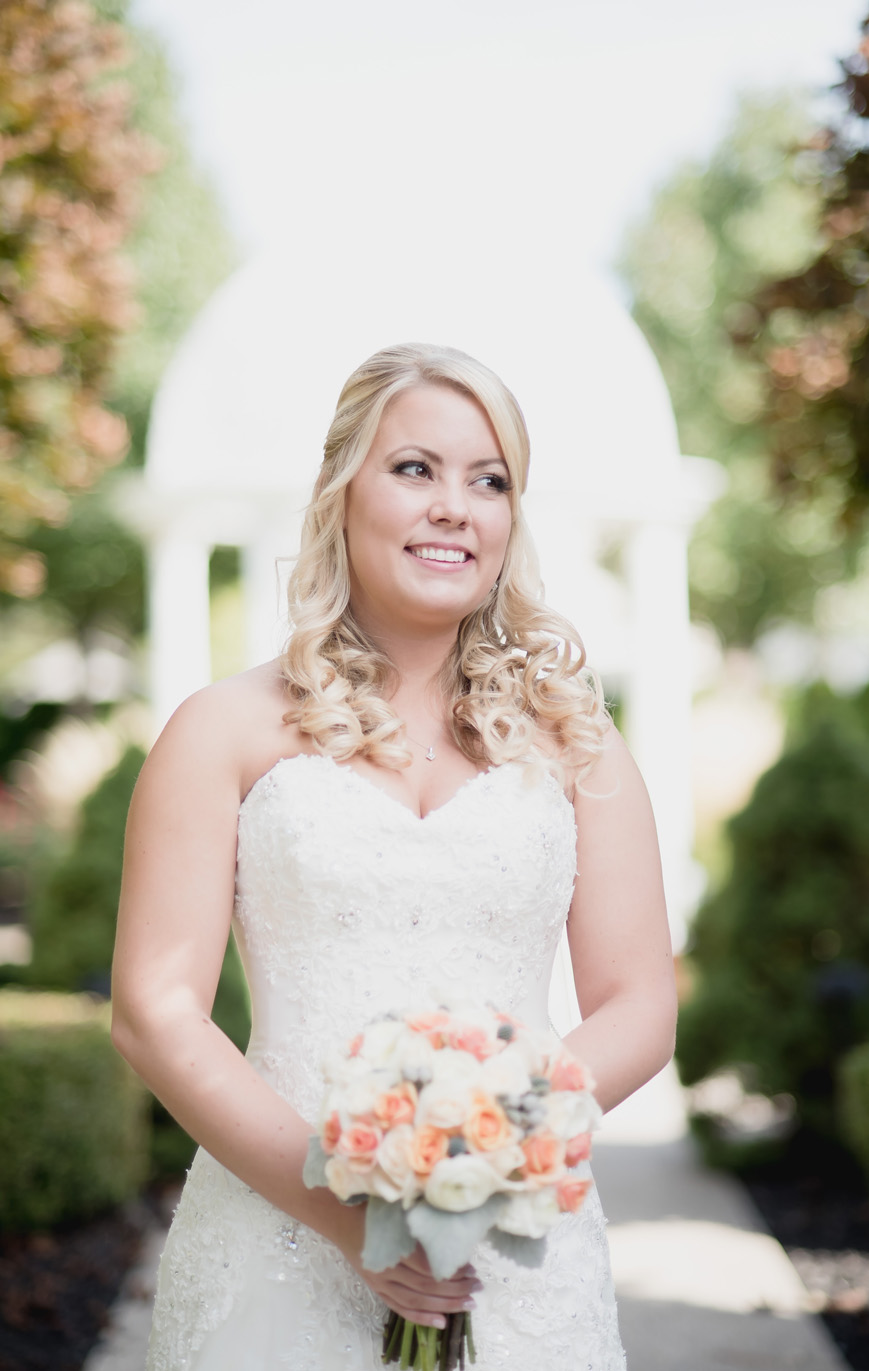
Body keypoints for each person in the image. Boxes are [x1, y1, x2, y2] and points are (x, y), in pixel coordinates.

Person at [111, 342, 677, 1370]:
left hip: (520, 1258)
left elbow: (641, 1003)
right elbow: (154, 1010)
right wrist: (342, 1213)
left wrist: (495, 1141)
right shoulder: (222, 731)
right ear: (342, 492)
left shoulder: (579, 744)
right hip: (275, 1241)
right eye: (416, 468)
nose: (456, 505)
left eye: (489, 480)